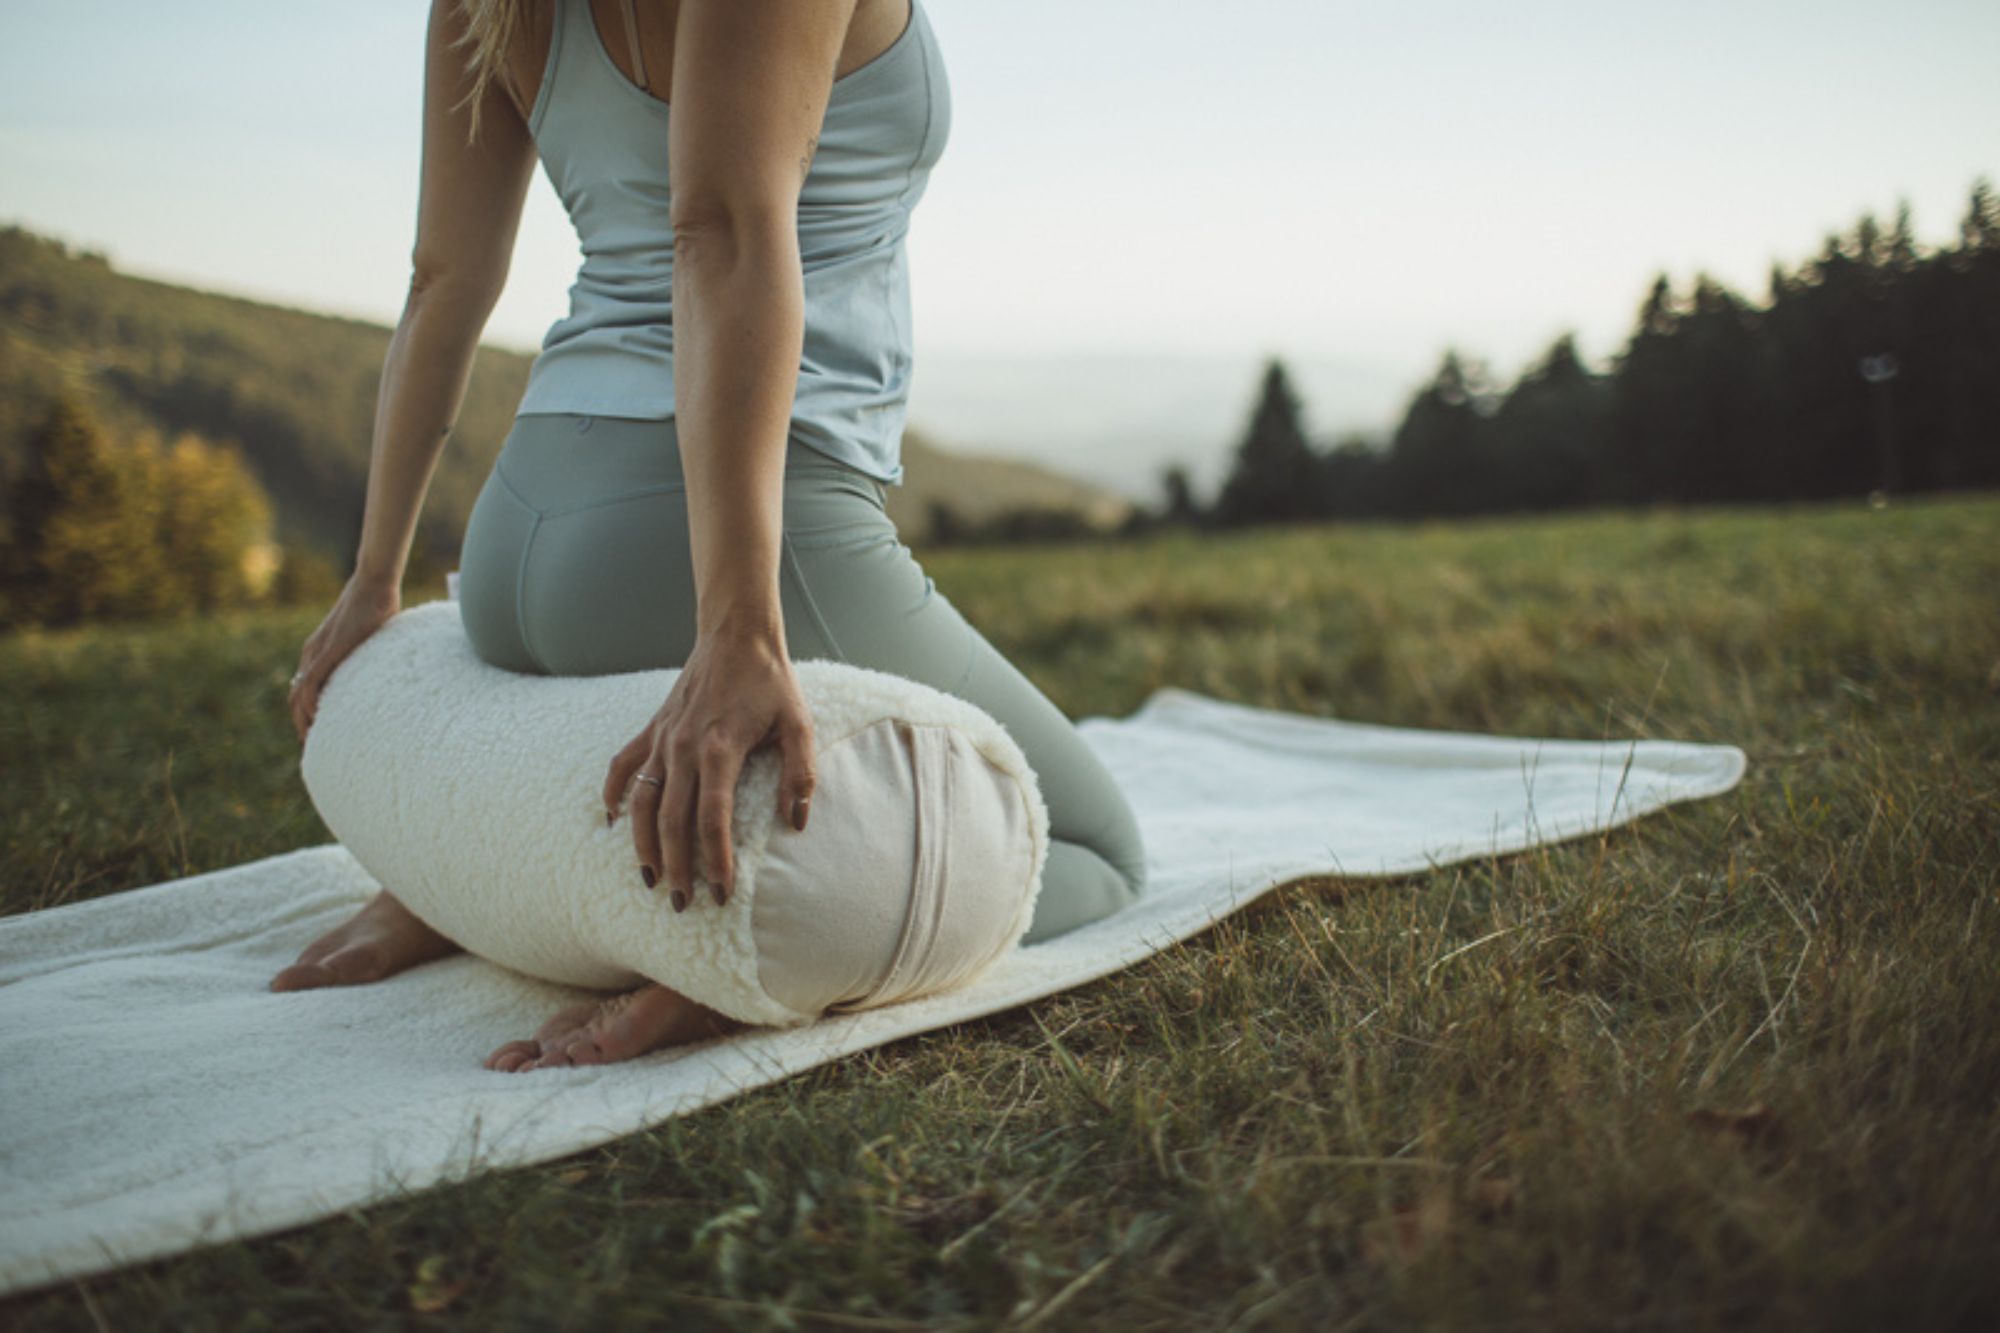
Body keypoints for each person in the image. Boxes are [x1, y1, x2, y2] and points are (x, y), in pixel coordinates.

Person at [273, 0, 1148, 1069]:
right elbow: (721, 228)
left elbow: (440, 279)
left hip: (515, 532)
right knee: (1089, 844)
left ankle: (484, 903)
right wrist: (737, 625)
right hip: (701, 530)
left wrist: (375, 573)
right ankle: (735, 953)